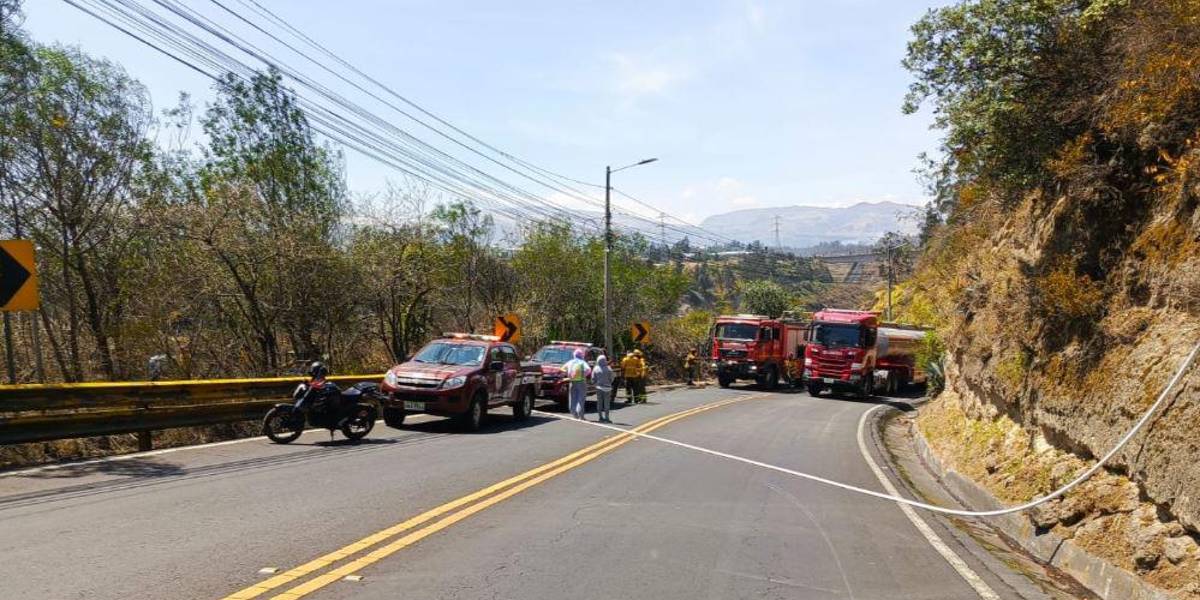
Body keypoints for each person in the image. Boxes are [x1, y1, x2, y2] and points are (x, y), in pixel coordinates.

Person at [562, 348, 590, 419]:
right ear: (582, 355)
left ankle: (573, 413)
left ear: (574, 355)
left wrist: (568, 374)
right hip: (581, 381)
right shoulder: (582, 362)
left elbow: (562, 369)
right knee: (581, 398)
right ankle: (580, 415)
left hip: (572, 381)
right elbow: (588, 370)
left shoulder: (570, 362)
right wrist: (584, 375)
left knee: (572, 397)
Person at [591, 355, 614, 423]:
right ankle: (607, 418)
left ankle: (600, 417)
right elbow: (612, 378)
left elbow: (593, 379)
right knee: (607, 403)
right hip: (608, 388)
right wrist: (609, 383)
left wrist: (595, 383)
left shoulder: (595, 368)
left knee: (599, 403)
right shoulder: (609, 368)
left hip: (599, 388)